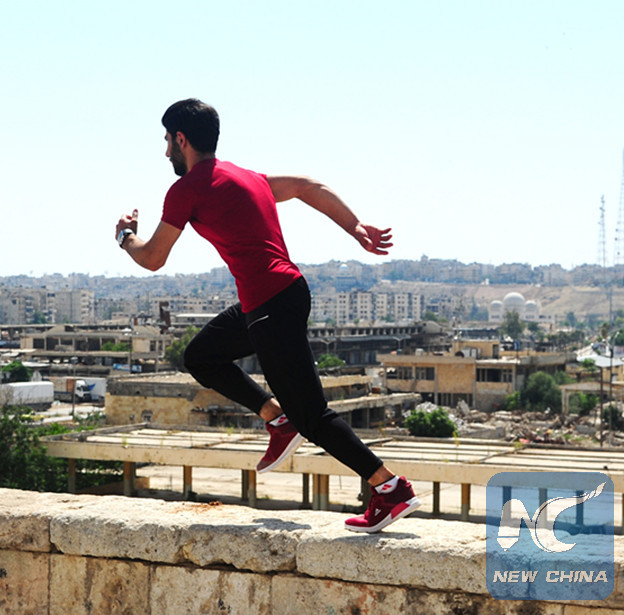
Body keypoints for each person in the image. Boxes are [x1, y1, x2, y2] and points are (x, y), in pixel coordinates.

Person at [115, 98, 419, 532]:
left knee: (312, 415)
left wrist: (125, 235)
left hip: (270, 303)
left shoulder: (187, 189)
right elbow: (307, 185)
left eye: (167, 141)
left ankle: (390, 489)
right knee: (201, 356)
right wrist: (354, 226)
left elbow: (153, 258)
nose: (165, 152)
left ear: (181, 139)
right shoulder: (246, 176)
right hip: (279, 297)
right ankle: (276, 418)